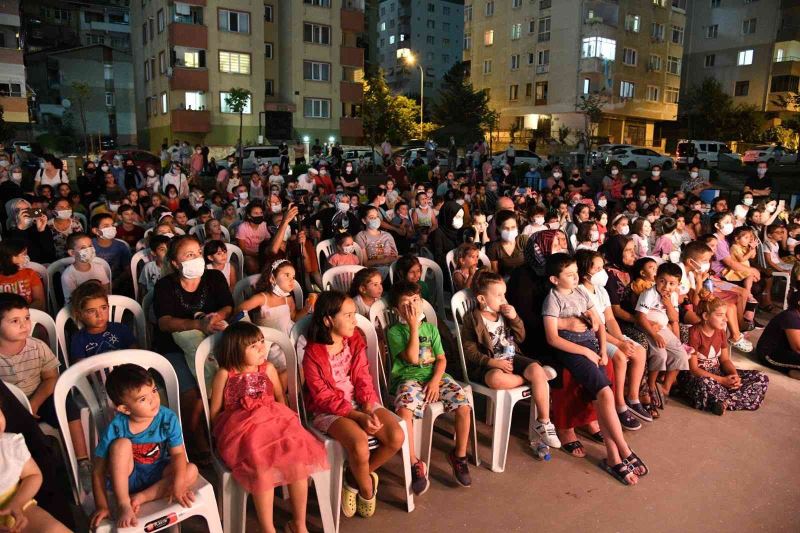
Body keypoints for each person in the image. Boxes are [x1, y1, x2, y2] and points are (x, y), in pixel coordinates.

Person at [209, 322, 328, 533]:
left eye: (262, 342)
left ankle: (299, 523)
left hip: (274, 422)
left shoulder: (268, 369)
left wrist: (287, 426)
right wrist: (224, 436)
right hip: (243, 431)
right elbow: (215, 412)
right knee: (261, 468)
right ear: (236, 350)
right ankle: (267, 528)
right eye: (254, 346)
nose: (262, 349)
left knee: (298, 461)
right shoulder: (226, 374)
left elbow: (280, 397)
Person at [542, 254, 647, 485]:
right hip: (572, 351)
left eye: (575, 273)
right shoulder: (553, 299)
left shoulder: (580, 292)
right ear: (554, 279)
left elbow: (599, 324)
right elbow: (552, 338)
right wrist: (586, 353)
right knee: (605, 393)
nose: (575, 277)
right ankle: (624, 449)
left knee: (602, 399)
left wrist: (601, 350)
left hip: (591, 347)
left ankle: (613, 457)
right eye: (568, 275)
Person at [302, 291, 404, 518]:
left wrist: (368, 406)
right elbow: (322, 397)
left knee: (396, 437)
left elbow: (362, 377)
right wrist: (357, 417)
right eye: (347, 315)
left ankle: (353, 477)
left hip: (360, 401)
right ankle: (367, 488)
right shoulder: (313, 354)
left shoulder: (355, 339)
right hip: (329, 410)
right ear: (328, 320)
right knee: (359, 443)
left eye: (354, 314)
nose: (354, 320)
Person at [153, 235, 233, 461]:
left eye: (198, 253)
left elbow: (228, 305)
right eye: (189, 255)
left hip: (212, 339)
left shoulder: (215, 277)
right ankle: (194, 438)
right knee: (193, 396)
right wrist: (197, 324)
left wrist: (218, 317)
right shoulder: (165, 286)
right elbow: (164, 322)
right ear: (176, 263)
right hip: (173, 347)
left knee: (227, 380)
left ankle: (223, 431)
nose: (196, 258)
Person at [89, 364, 198, 529]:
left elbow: (177, 454)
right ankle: (125, 503)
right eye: (142, 399)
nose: (154, 400)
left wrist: (178, 483)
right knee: (121, 445)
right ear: (125, 409)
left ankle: (140, 497)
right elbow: (98, 471)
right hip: (128, 478)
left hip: (157, 473)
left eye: (154, 390)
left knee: (191, 470)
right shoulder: (117, 427)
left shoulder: (167, 418)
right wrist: (102, 506)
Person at [387, 281, 472, 491]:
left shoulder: (432, 329)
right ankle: (415, 462)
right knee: (404, 412)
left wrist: (435, 381)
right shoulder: (395, 332)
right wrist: (414, 327)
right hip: (408, 379)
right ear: (397, 310)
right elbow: (413, 358)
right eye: (406, 304)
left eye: (415, 301)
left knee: (463, 406)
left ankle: (459, 456)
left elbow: (442, 359)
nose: (412, 307)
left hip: (435, 377)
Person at [461, 271, 561, 448]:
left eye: (504, 294)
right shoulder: (472, 320)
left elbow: (520, 337)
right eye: (498, 295)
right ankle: (534, 379)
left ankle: (544, 422)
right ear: (482, 299)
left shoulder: (504, 315)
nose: (504, 299)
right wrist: (492, 362)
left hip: (512, 357)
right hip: (490, 364)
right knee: (496, 379)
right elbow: (469, 352)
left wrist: (514, 318)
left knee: (536, 369)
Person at [576, 250, 649, 428]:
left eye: (603, 267)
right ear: (585, 271)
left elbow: (609, 319)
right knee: (619, 357)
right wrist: (618, 344)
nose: (603, 272)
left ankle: (632, 398)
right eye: (598, 268)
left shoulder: (601, 290)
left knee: (639, 351)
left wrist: (622, 340)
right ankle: (619, 405)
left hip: (609, 334)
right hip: (593, 336)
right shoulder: (580, 292)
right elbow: (595, 327)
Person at [679, 292, 769, 414]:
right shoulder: (694, 333)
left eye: (725, 315)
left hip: (718, 372)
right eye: (720, 315)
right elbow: (694, 369)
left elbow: (725, 360)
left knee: (761, 377)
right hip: (699, 376)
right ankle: (729, 398)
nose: (725, 319)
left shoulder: (720, 332)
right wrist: (722, 381)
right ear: (706, 316)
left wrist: (734, 375)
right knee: (703, 384)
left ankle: (723, 402)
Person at [236, 260, 314, 386]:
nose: (291, 280)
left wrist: (305, 310)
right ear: (272, 279)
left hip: (289, 337)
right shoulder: (262, 298)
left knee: (305, 362)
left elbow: (293, 317)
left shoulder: (287, 299)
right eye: (286, 275)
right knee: (288, 368)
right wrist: (250, 325)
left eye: (293, 277)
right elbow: (239, 310)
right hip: (271, 344)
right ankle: (282, 392)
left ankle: (296, 393)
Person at [0, 402, 71, 532]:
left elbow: (33, 475)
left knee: (54, 529)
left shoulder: (10, 445)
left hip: (18, 505)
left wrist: (18, 503)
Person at [635, 262, 690, 412]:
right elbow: (640, 317)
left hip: (663, 329)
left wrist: (668, 304)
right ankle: (652, 386)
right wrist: (654, 335)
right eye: (662, 281)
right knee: (660, 354)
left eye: (672, 283)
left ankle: (665, 388)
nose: (666, 287)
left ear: (678, 284)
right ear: (655, 279)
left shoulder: (672, 296)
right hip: (648, 328)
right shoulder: (649, 294)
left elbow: (674, 318)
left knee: (681, 355)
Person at [68, 280, 136, 363]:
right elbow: (80, 370)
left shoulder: (121, 329)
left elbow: (137, 356)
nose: (99, 315)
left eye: (103, 308)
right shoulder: (78, 340)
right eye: (91, 311)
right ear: (79, 314)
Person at [757, 289, 800, 378]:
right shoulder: (791, 316)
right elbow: (797, 347)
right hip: (770, 355)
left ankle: (794, 372)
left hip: (787, 351)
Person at [62, 232, 111, 303]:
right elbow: (72, 302)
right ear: (72, 253)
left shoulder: (99, 268)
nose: (89, 250)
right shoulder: (68, 276)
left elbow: (106, 292)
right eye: (83, 248)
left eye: (90, 246)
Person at [91, 213, 132, 295]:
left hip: (117, 284)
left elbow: (128, 270)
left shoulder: (121, 246)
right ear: (96, 231)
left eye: (112, 225)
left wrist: (115, 282)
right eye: (106, 226)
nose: (111, 228)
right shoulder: (89, 245)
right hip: (94, 285)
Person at [0, 240, 45, 311]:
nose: (26, 258)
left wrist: (21, 313)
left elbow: (40, 302)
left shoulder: (30, 274)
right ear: (9, 257)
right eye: (23, 255)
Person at [355, 206, 398, 274]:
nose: (375, 219)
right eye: (372, 217)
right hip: (373, 273)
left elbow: (394, 257)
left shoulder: (387, 235)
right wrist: (384, 260)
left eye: (377, 216)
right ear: (364, 221)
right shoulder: (361, 236)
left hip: (391, 270)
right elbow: (365, 263)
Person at [486, 210, 527, 278]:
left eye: (513, 227)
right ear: (499, 228)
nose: (510, 231)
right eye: (506, 228)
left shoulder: (523, 240)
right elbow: (495, 272)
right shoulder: (494, 248)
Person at [236, 203, 270, 275]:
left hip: (262, 253)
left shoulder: (264, 225)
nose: (259, 215)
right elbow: (242, 249)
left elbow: (268, 241)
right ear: (249, 216)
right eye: (256, 213)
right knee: (252, 266)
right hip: (249, 254)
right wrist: (256, 254)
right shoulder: (242, 227)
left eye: (261, 213)